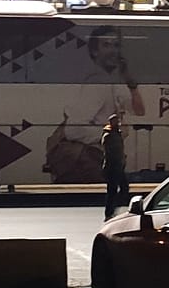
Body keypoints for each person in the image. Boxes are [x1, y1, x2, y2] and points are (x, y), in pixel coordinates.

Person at [45, 25, 146, 183]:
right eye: (106, 45)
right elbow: (73, 130)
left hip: (101, 156)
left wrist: (131, 83)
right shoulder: (96, 82)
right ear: (94, 52)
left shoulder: (112, 81)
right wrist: (110, 137)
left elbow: (139, 110)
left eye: (116, 45)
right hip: (88, 161)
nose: (113, 50)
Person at [101, 113, 129, 220]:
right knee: (112, 190)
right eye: (116, 121)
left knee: (124, 188)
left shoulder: (118, 134)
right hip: (112, 167)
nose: (118, 123)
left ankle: (114, 209)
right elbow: (110, 153)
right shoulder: (108, 136)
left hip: (119, 166)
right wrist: (119, 160)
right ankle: (109, 213)